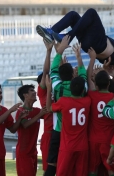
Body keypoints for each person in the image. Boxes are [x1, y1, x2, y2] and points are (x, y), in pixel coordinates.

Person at [36, 8, 114, 70]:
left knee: (92, 12)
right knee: (73, 15)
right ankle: (51, 32)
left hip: (99, 44)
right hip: (89, 44)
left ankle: (67, 37)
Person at [44, 37, 87, 176]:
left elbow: (53, 70)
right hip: (78, 135)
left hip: (59, 131)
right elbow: (83, 75)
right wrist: (79, 57)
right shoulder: (83, 89)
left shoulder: (57, 86)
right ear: (73, 75)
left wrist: (59, 51)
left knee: (53, 165)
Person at [46, 76, 91, 176]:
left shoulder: (63, 101)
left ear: (70, 88)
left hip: (67, 146)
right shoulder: (87, 101)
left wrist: (49, 89)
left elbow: (48, 108)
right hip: (83, 147)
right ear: (83, 90)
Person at [87, 47, 114, 175]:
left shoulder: (92, 95)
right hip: (109, 140)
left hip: (93, 139)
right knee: (111, 169)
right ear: (109, 84)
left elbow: (88, 77)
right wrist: (109, 72)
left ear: (97, 85)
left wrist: (92, 59)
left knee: (93, 170)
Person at [15, 85, 47, 176]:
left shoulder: (37, 111)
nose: (35, 92)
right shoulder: (20, 111)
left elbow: (48, 114)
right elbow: (25, 125)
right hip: (23, 153)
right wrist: (39, 115)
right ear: (25, 95)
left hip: (33, 152)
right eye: (31, 91)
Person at [36, 39, 54, 172]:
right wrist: (49, 51)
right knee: (49, 170)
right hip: (49, 135)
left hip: (62, 134)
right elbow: (46, 72)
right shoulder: (43, 92)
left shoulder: (58, 91)